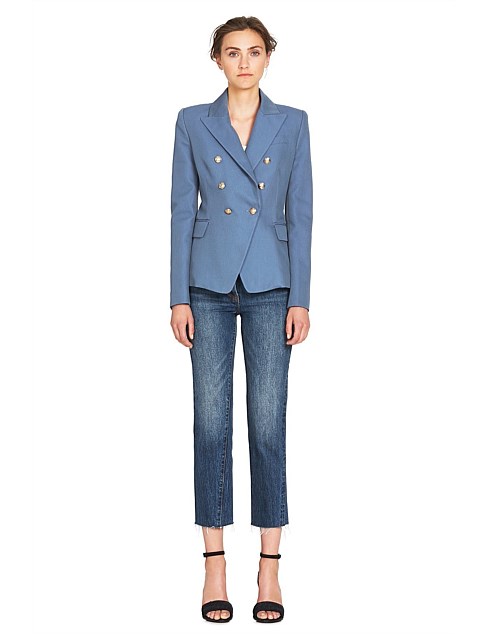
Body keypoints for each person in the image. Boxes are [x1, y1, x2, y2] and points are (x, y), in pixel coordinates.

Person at [169, 15, 313, 624]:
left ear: (268, 58)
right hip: (206, 283)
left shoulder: (293, 123)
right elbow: (181, 209)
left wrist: (301, 296)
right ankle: (214, 564)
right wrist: (176, 296)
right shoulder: (192, 121)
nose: (244, 62)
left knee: (268, 425)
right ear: (218, 60)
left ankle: (270, 567)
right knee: (210, 426)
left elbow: (302, 212)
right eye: (233, 53)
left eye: (254, 52)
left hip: (271, 284)